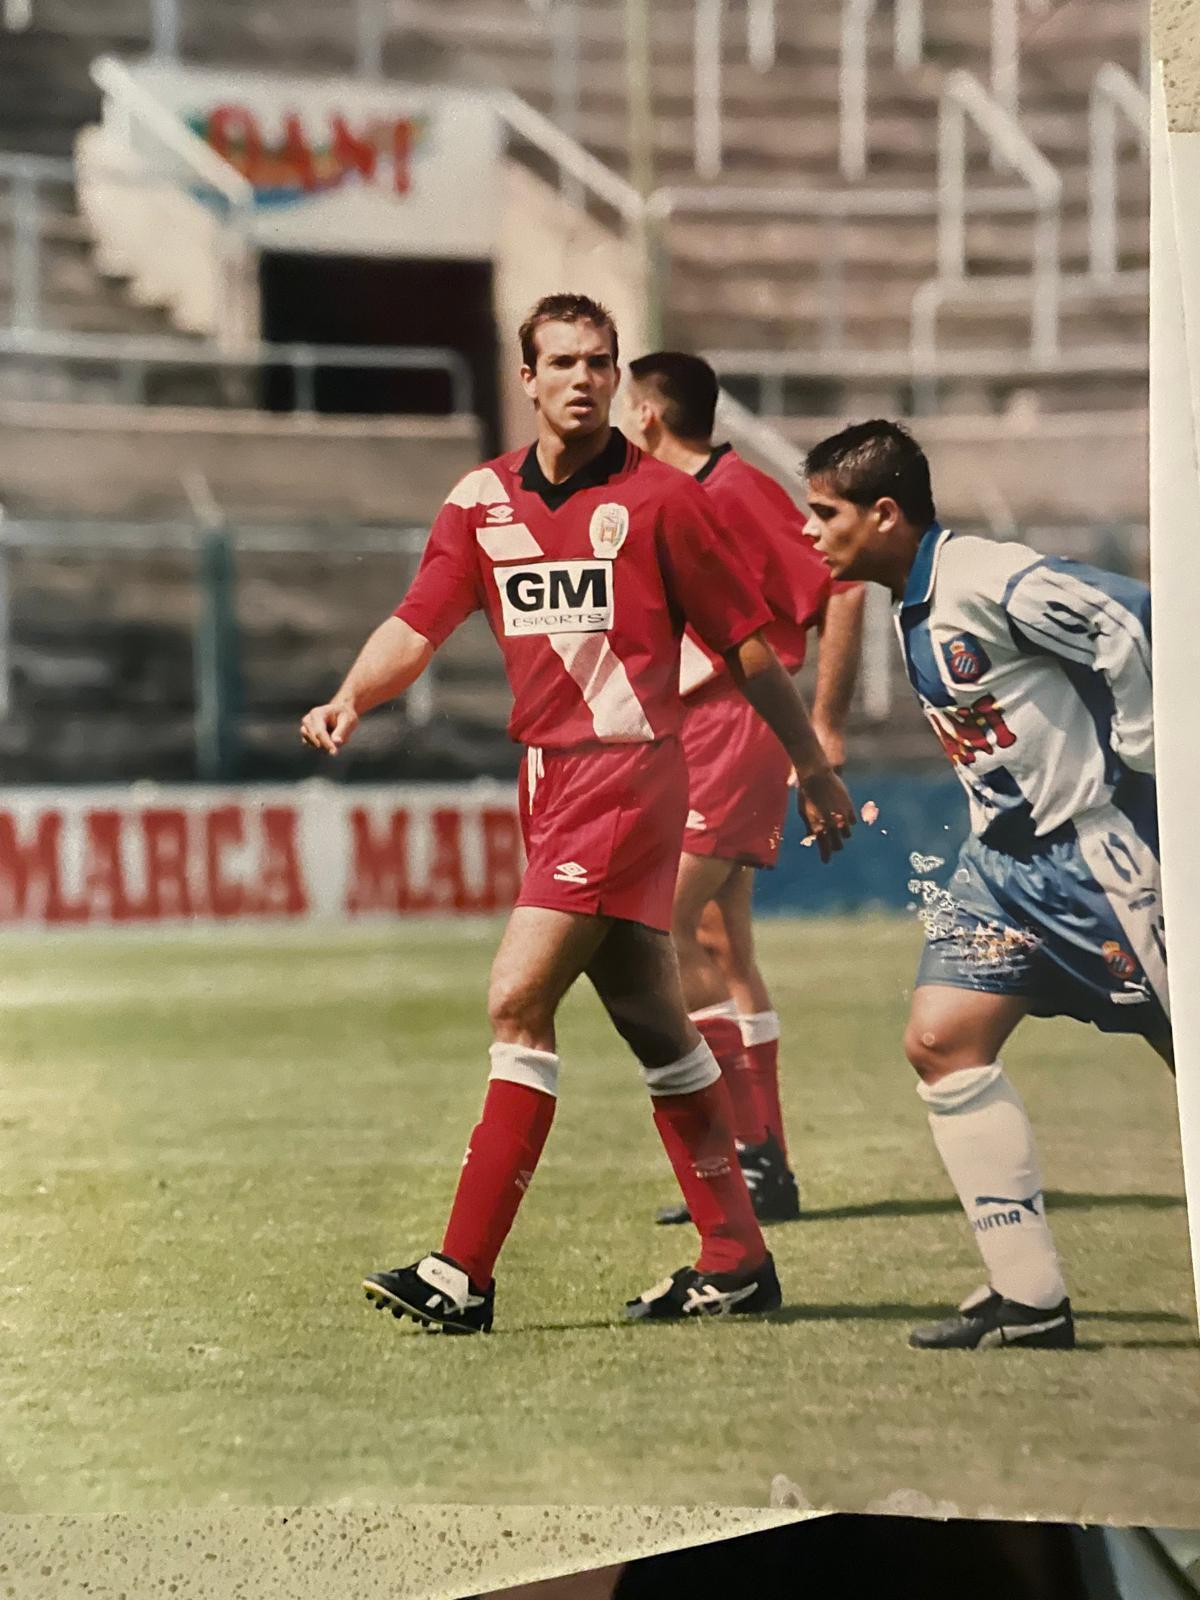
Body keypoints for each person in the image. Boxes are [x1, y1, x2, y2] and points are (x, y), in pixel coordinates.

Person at [300, 294, 855, 1334]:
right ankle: (736, 1257)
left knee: (517, 998)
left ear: (617, 379)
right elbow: (418, 623)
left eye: (600, 361)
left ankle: (463, 1272)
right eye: (562, 362)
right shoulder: (479, 503)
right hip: (548, 780)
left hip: (629, 775)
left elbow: (744, 643)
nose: (584, 379)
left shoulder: (663, 502)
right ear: (527, 379)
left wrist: (812, 765)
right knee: (655, 1021)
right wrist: (349, 697)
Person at [803, 418, 1169, 1351]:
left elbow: (1135, 616)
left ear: (885, 515)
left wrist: (1144, 751)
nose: (812, 533)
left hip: (1098, 864)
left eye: (825, 513)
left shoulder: (985, 578)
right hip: (1000, 871)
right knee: (938, 1038)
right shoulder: (911, 594)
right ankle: (1030, 1296)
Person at [624, 351, 864, 1224]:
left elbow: (839, 584)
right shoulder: (683, 495)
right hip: (706, 728)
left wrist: (823, 731)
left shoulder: (733, 491)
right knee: (723, 945)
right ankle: (769, 1169)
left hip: (735, 727)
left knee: (661, 927)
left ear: (648, 415)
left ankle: (745, 1153)